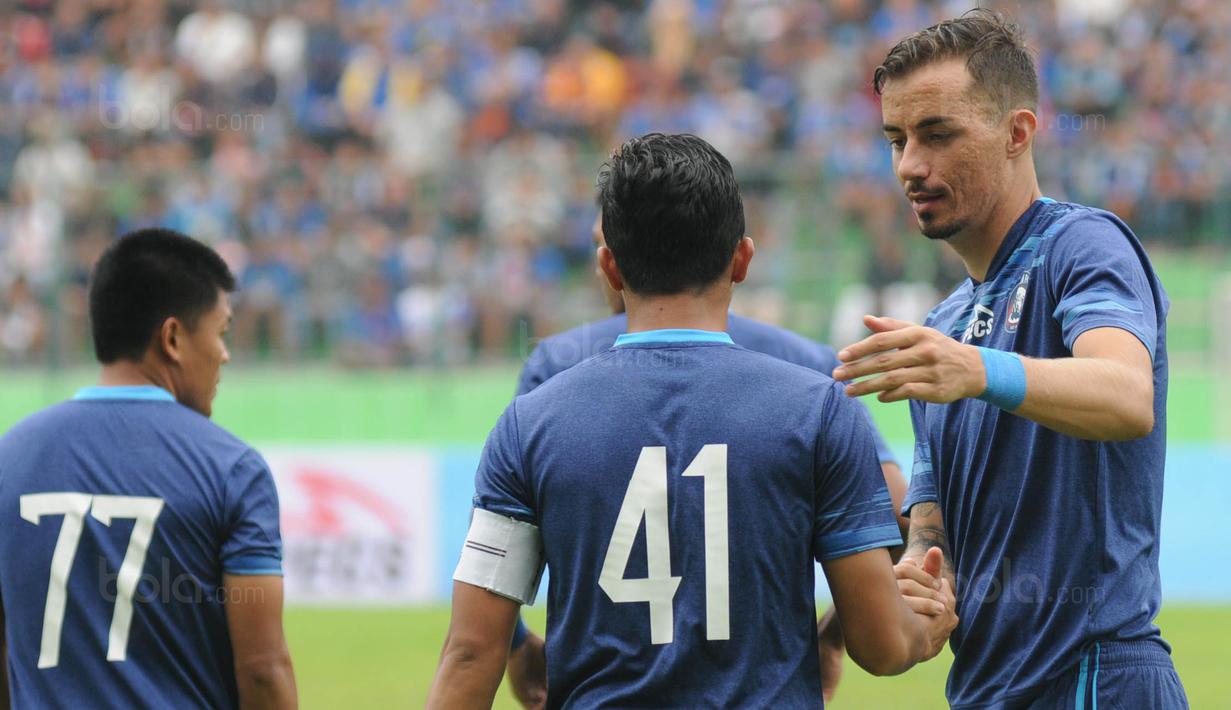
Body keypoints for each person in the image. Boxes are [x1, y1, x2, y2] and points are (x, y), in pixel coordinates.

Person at [428, 133, 955, 708]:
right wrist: (924, 625)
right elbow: (880, 645)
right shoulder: (820, 411)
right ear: (743, 259)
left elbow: (472, 652)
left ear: (610, 266)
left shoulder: (528, 424)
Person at [831, 10, 1188, 709]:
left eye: (937, 134)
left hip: (1091, 678)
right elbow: (932, 537)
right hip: (985, 689)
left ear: (1016, 133)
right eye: (895, 139)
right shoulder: (942, 326)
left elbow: (1124, 395)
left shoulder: (1081, 246)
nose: (909, 165)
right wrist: (917, 581)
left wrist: (974, 370)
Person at [505, 214, 910, 708]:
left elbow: (499, 545)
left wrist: (518, 647)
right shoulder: (806, 366)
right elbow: (893, 510)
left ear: (612, 263)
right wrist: (830, 635)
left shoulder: (556, 365)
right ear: (736, 257)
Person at [0, 229, 297, 709]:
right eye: (221, 333)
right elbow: (262, 671)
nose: (225, 354)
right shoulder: (232, 470)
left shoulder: (8, 458)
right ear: (173, 337)